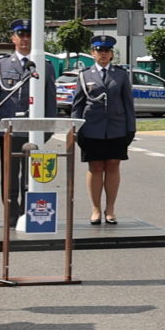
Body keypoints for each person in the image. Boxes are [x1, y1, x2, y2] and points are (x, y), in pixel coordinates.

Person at [65, 34, 136, 225]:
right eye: (99, 51)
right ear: (92, 53)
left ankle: (110, 208)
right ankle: (96, 208)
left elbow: (128, 103)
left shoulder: (120, 75)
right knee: (95, 167)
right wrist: (75, 128)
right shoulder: (84, 75)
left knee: (113, 165)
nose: (103, 54)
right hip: (91, 128)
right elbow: (78, 104)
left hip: (116, 128)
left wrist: (131, 128)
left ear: (111, 54)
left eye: (106, 51)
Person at [0, 21, 37, 228]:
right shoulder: (1, 64)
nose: (25, 39)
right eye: (21, 35)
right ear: (13, 38)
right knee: (9, 175)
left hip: (34, 130)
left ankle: (27, 213)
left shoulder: (42, 64)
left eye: (28, 35)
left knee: (31, 177)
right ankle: (11, 214)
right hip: (8, 130)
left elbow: (49, 100)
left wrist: (46, 132)